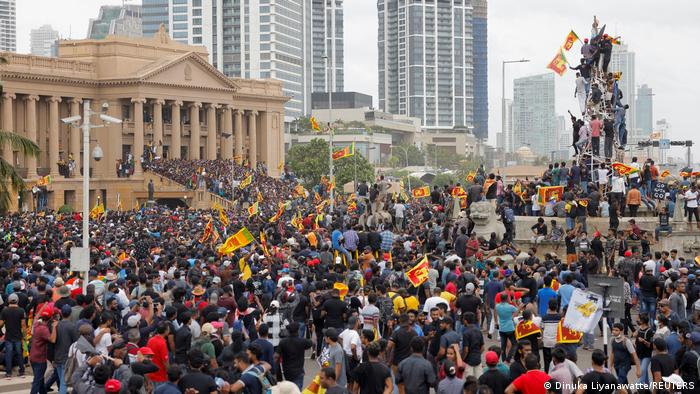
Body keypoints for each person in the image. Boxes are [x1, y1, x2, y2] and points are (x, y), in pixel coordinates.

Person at [278, 322, 313, 390]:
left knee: (289, 389)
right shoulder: (302, 341)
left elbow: (276, 356)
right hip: (298, 371)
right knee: (297, 390)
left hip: (287, 371)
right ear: (297, 330)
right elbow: (312, 343)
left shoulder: (283, 342)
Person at [0, 293, 26, 378]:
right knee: (19, 353)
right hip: (18, 336)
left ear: (8, 300)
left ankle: (8, 372)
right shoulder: (21, 310)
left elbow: (1, 324)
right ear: (17, 300)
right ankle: (22, 370)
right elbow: (23, 325)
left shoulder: (5, 311)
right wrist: (24, 336)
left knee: (8, 354)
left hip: (8, 336)